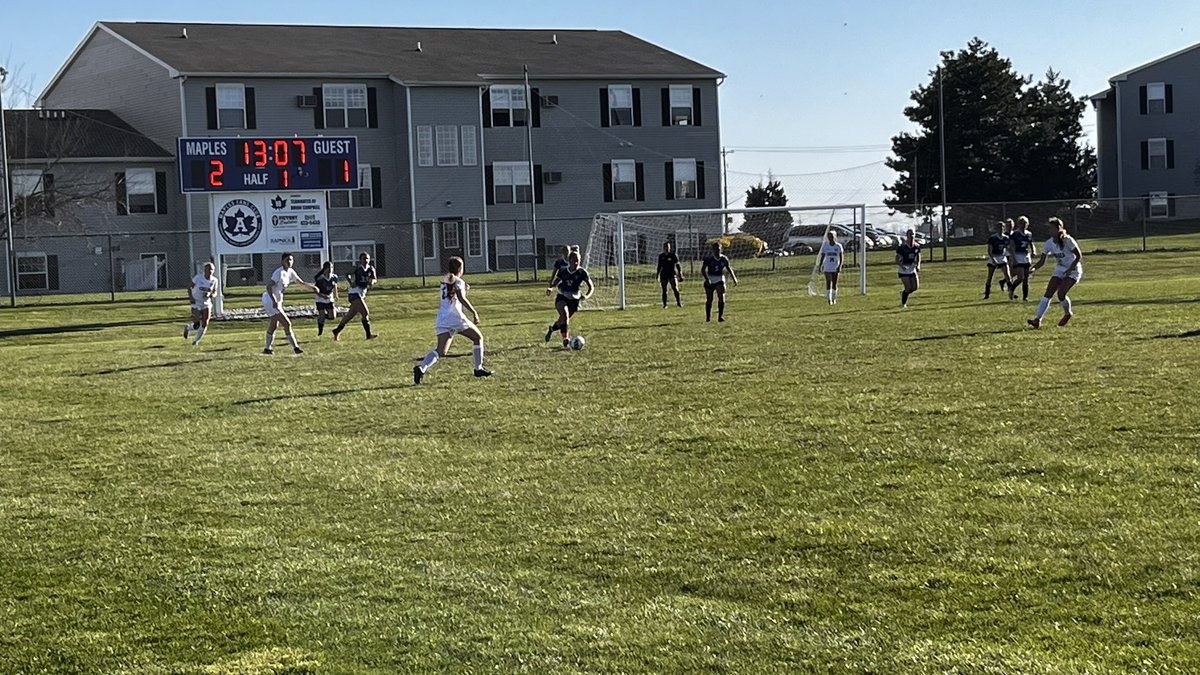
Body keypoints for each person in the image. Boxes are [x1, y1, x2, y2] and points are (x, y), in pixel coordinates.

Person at [413, 256, 491, 384]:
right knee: (478, 338)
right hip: (456, 318)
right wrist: (474, 312)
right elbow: (460, 298)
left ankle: (421, 368)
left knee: (441, 351)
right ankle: (478, 368)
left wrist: (464, 288)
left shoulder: (445, 281)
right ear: (460, 269)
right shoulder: (458, 281)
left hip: (443, 319)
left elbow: (452, 293)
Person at [1027, 217, 1083, 329]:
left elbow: (1078, 256)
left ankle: (1068, 314)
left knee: (1061, 293)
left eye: (1052, 228)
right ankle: (1037, 320)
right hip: (1060, 270)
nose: (1050, 231)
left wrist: (1070, 269)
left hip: (1073, 270)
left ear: (1059, 229)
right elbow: (1042, 261)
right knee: (1048, 293)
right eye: (1049, 229)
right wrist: (1033, 269)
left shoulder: (1068, 240)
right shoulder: (1048, 243)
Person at [262, 252, 319, 354]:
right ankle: (296, 348)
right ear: (282, 261)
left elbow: (300, 283)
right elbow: (269, 286)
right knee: (287, 323)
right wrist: (274, 300)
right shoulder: (279, 272)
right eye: (287, 260)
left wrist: (312, 288)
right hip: (270, 300)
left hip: (277, 301)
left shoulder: (290, 272)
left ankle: (267, 348)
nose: (289, 262)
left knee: (274, 325)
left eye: (291, 260)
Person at [544, 249, 595, 346]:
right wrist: (551, 288)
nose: (576, 263)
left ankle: (552, 329)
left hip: (574, 299)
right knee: (564, 315)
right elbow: (556, 281)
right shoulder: (563, 271)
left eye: (578, 260)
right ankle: (565, 339)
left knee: (561, 321)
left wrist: (586, 296)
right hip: (562, 296)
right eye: (574, 260)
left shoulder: (582, 272)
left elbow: (591, 287)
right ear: (570, 260)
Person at [331, 251, 379, 341]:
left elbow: (374, 278)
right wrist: (351, 283)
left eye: (367, 258)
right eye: (364, 259)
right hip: (354, 293)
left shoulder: (371, 268)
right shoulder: (357, 268)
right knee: (365, 313)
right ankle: (368, 335)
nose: (366, 260)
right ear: (360, 260)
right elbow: (347, 274)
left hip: (362, 293)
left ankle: (336, 331)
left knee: (349, 316)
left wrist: (372, 282)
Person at [700, 241, 738, 322]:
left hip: (719, 278)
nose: (716, 251)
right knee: (709, 299)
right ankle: (708, 317)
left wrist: (734, 278)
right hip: (710, 278)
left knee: (721, 296)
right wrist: (707, 279)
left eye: (718, 249)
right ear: (712, 250)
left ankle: (720, 316)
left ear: (721, 249)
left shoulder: (724, 259)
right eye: (715, 249)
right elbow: (703, 270)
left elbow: (729, 268)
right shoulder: (709, 259)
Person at [184, 261, 219, 346]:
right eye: (208, 269)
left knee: (205, 322)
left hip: (206, 302)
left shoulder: (214, 280)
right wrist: (191, 297)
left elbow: (215, 292)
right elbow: (189, 287)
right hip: (196, 301)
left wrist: (212, 295)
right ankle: (188, 328)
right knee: (197, 323)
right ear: (204, 270)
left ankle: (196, 341)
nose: (210, 271)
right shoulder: (198, 278)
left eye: (211, 269)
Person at [1008, 215, 1037, 301]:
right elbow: (1011, 247)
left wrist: (1033, 251)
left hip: (1026, 256)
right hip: (1018, 256)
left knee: (1026, 278)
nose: (1023, 225)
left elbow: (1031, 243)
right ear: (1018, 224)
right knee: (1021, 277)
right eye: (1021, 223)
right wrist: (1014, 258)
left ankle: (1025, 297)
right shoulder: (1015, 234)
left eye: (1025, 223)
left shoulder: (1029, 234)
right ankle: (1012, 289)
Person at [984, 220, 1012, 299]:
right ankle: (987, 294)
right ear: (996, 229)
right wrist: (993, 260)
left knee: (1008, 276)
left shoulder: (1006, 238)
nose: (1001, 229)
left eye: (1002, 227)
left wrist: (1010, 256)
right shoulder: (992, 238)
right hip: (994, 257)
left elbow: (1008, 248)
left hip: (1002, 257)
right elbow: (989, 251)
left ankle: (1011, 293)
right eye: (999, 227)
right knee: (990, 276)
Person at [895, 229, 921, 308]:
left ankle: (904, 293)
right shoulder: (902, 247)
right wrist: (902, 266)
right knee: (908, 287)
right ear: (907, 235)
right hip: (904, 269)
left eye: (912, 234)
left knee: (915, 287)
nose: (911, 236)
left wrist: (918, 265)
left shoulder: (916, 246)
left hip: (912, 268)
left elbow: (918, 256)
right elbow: (897, 259)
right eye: (910, 234)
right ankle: (903, 304)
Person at [313, 261, 339, 336]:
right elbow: (316, 290)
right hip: (320, 299)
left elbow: (334, 286)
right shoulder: (320, 279)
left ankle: (322, 318)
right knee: (322, 316)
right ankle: (320, 331)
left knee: (332, 316)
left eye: (331, 267)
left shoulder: (334, 277)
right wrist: (322, 296)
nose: (330, 269)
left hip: (329, 298)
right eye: (328, 268)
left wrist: (335, 295)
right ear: (325, 269)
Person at [819, 230, 844, 305]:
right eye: (829, 236)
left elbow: (841, 257)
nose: (830, 238)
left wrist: (840, 266)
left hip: (835, 267)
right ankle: (829, 300)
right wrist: (820, 266)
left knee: (834, 283)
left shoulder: (838, 246)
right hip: (827, 267)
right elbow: (822, 256)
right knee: (828, 282)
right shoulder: (825, 246)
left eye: (832, 236)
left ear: (835, 237)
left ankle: (834, 298)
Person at [657, 241, 684, 308]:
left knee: (675, 288)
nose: (667, 248)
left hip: (672, 274)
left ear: (670, 248)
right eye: (665, 247)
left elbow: (678, 265)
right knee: (664, 290)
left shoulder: (673, 255)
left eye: (668, 247)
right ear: (663, 248)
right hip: (664, 274)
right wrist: (657, 274)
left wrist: (680, 274)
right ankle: (665, 304)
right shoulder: (661, 256)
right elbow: (659, 266)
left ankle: (679, 303)